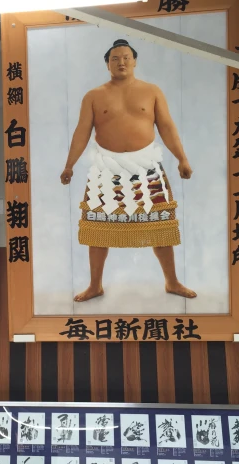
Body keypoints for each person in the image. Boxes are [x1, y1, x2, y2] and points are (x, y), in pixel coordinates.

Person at [60, 39, 197, 303]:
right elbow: (82, 132)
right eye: (115, 59)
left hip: (147, 167)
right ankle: (95, 285)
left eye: (125, 58)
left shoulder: (152, 91)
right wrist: (69, 164)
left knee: (161, 226)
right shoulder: (94, 95)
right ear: (107, 64)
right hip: (106, 168)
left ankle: (172, 281)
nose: (121, 62)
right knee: (98, 228)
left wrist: (182, 158)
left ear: (134, 61)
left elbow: (167, 127)